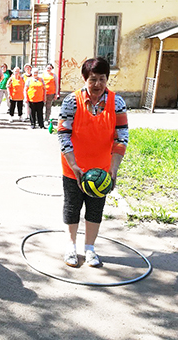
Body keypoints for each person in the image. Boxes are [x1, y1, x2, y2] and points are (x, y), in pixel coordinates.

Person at [57, 57, 128, 268]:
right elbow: (63, 134)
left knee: (95, 209)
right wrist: (74, 166)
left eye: (102, 79)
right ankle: (71, 246)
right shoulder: (71, 101)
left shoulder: (117, 103)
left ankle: (89, 249)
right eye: (93, 79)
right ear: (85, 79)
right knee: (72, 207)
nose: (97, 84)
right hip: (74, 168)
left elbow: (121, 138)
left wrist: (113, 170)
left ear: (107, 79)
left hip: (101, 171)